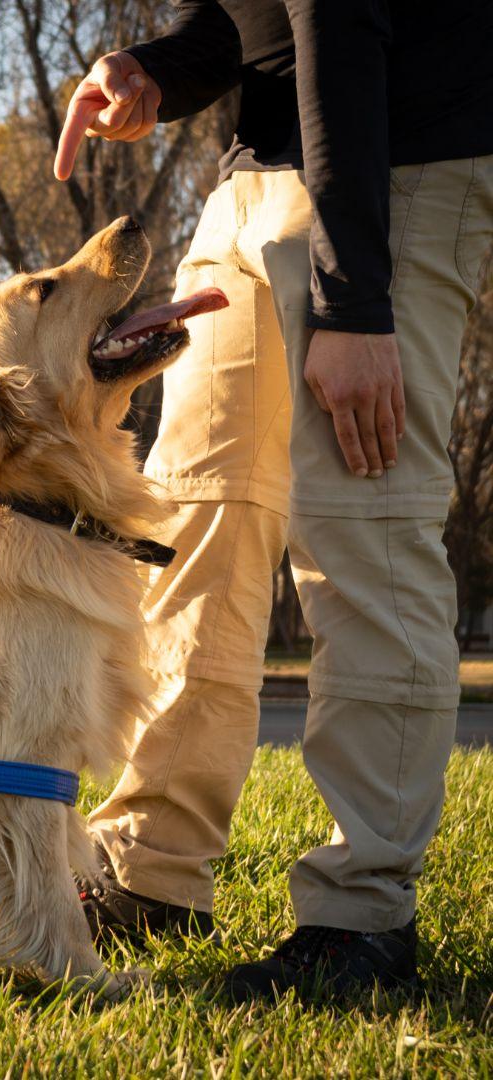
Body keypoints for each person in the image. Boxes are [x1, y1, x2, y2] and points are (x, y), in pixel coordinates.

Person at [54, 0, 493, 1000]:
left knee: (364, 530)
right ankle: (150, 869)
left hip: (391, 171)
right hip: (256, 176)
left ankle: (362, 917)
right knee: (195, 515)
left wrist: (353, 305)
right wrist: (160, 69)